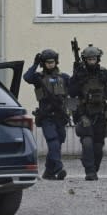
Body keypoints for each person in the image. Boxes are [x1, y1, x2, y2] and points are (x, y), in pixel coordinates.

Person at [68, 44, 107, 181]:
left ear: (98, 59)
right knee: (87, 142)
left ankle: (93, 167)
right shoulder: (79, 74)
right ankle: (89, 171)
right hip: (84, 113)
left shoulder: (104, 73)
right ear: (85, 60)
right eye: (89, 59)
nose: (92, 62)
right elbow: (70, 93)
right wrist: (78, 79)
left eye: (94, 59)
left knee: (98, 146)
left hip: (101, 113)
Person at [23, 49, 71, 180]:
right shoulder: (38, 78)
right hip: (46, 116)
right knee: (53, 141)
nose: (50, 64)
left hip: (60, 116)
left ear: (56, 62)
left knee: (58, 142)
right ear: (43, 63)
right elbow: (27, 77)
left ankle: (49, 172)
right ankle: (58, 168)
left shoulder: (64, 77)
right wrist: (34, 64)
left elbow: (73, 90)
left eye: (52, 62)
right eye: (47, 62)